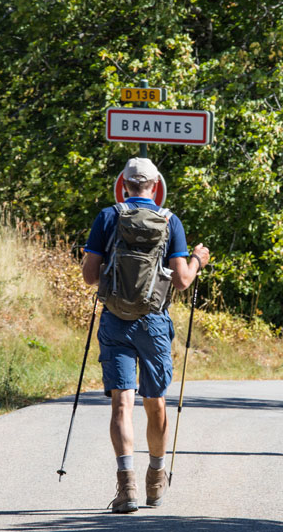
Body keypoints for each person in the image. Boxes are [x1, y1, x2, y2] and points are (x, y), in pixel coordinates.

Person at [82, 157, 210, 513]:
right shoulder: (171, 222)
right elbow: (182, 281)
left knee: (121, 403)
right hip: (153, 321)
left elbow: (90, 277)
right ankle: (156, 476)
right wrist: (198, 258)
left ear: (124, 183)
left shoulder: (108, 217)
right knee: (155, 402)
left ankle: (127, 488)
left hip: (115, 320)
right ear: (155, 186)